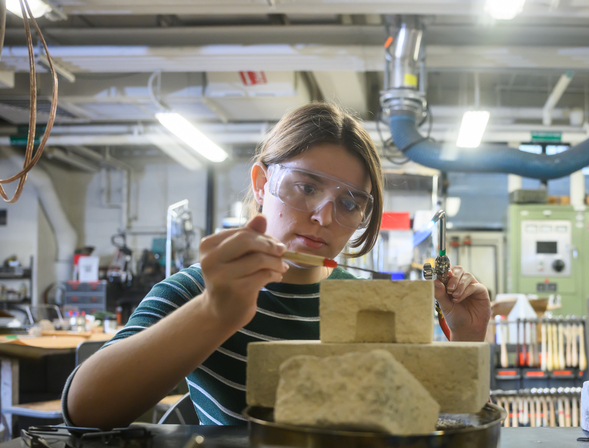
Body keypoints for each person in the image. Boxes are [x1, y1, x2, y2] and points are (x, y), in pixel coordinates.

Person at [65, 103, 491, 428]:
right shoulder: (200, 289)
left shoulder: (370, 302)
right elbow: (84, 409)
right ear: (261, 182)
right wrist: (215, 312)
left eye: (348, 202)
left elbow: (429, 423)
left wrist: (468, 340)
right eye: (305, 187)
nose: (324, 217)